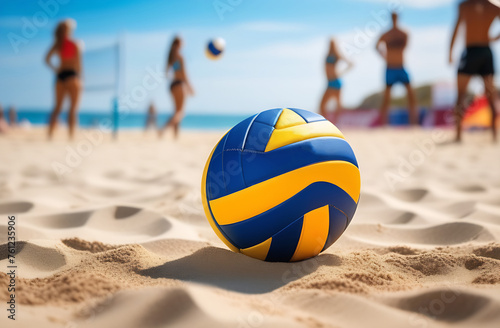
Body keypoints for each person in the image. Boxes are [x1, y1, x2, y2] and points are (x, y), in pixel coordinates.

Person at [449, 0, 499, 142]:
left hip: (471, 52)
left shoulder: (465, 5)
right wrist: (495, 37)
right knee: (490, 94)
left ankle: (458, 136)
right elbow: (456, 27)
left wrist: (450, 51)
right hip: (485, 52)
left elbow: (456, 28)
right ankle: (494, 136)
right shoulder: (493, 7)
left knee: (461, 94)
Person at [376, 12, 417, 126]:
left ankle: (414, 123)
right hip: (390, 69)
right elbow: (376, 46)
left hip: (401, 67)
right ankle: (384, 124)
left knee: (411, 95)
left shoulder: (404, 33)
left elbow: (405, 46)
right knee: (386, 98)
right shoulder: (386, 34)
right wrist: (384, 55)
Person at [45, 19, 82, 140]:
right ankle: (71, 136)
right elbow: (79, 64)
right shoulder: (75, 44)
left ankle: (49, 135)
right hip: (72, 75)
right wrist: (80, 78)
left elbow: (46, 59)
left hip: (60, 76)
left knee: (57, 107)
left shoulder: (57, 44)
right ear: (69, 30)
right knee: (73, 109)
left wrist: (56, 69)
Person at [159, 36, 194, 139]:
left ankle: (175, 136)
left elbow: (166, 72)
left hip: (172, 85)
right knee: (180, 112)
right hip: (179, 84)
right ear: (178, 44)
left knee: (176, 112)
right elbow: (184, 74)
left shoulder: (171, 57)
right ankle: (164, 128)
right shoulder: (180, 57)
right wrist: (189, 87)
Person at [319, 38, 353, 123]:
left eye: (332, 43)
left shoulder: (337, 54)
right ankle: (326, 122)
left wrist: (340, 72)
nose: (330, 44)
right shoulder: (328, 54)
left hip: (335, 82)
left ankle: (336, 122)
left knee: (336, 104)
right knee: (323, 105)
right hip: (329, 82)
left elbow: (351, 63)